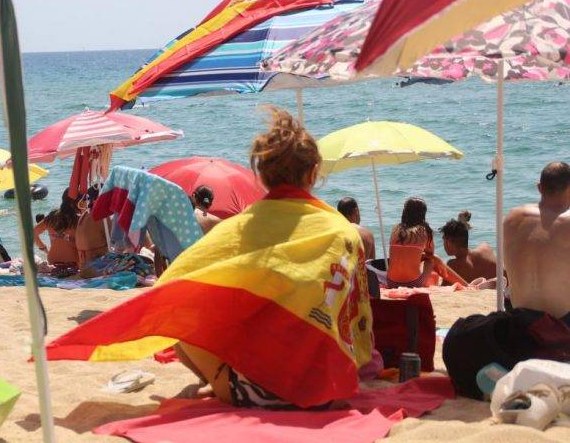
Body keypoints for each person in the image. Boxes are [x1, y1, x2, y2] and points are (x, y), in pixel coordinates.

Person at [171, 107, 373, 408]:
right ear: (313, 172)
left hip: (253, 392)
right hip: (327, 390)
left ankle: (214, 383)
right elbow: (357, 320)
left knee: (176, 319)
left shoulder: (240, 227)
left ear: (262, 176)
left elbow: (178, 282)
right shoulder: (342, 231)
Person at [443, 162, 570, 399]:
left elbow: (510, 270)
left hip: (518, 322)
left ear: (539, 187)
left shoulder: (512, 218)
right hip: (561, 325)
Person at [388, 197, 468, 287]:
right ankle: (465, 285)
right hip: (414, 283)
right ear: (422, 214)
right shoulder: (424, 230)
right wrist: (438, 260)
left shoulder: (395, 229)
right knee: (433, 261)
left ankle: (465, 285)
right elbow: (430, 255)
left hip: (391, 282)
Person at [440, 211, 496, 283]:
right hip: (507, 285)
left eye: (443, 239)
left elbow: (445, 290)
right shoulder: (485, 247)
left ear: (448, 242)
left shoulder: (453, 266)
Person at [34, 189, 79, 265]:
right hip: (73, 263)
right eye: (84, 199)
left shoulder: (52, 217)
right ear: (76, 202)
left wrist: (43, 247)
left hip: (53, 261)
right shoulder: (78, 219)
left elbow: (32, 233)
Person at [75, 185, 108, 268]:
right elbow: (116, 240)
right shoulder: (101, 216)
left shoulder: (84, 215)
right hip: (96, 267)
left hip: (83, 267)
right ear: (96, 199)